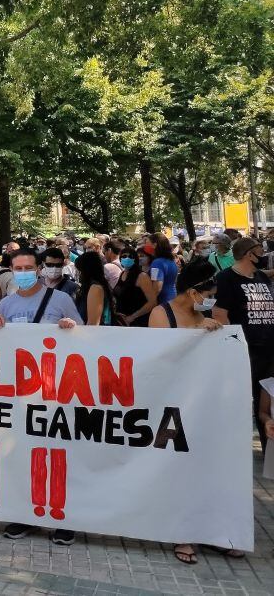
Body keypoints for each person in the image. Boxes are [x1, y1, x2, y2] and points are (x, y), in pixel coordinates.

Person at [0, 249, 80, 546]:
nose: (23, 271)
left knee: (57, 455)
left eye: (29, 266)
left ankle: (64, 518)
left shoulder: (62, 300)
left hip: (55, 392)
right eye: (18, 267)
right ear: (11, 270)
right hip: (20, 394)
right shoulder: (6, 303)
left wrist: (71, 328)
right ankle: (25, 514)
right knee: (24, 454)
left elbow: (87, 340)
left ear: (39, 268)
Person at [148, 260, 236, 563]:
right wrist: (197, 334)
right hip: (172, 407)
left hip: (204, 405)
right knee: (178, 471)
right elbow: (161, 359)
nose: (211, 299)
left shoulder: (204, 312)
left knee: (207, 468)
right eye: (208, 292)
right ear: (193, 291)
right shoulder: (162, 314)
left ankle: (211, 530)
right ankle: (182, 534)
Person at [213, 237, 274, 451]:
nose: (264, 255)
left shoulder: (260, 277)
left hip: (269, 350)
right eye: (260, 251)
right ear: (250, 254)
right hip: (247, 351)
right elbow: (220, 315)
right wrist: (236, 348)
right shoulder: (226, 279)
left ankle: (269, 450)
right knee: (245, 400)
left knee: (265, 403)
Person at [114, 246, 157, 326]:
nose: (127, 258)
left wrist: (132, 317)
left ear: (135, 259)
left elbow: (152, 302)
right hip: (122, 320)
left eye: (130, 256)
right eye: (124, 256)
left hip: (137, 322)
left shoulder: (142, 276)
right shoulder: (122, 274)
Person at [74, 251, 115, 325]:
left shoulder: (95, 288)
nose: (78, 273)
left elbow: (93, 323)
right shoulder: (94, 285)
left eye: (79, 270)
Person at [147, 234, 179, 305]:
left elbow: (157, 288)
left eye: (147, 244)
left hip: (162, 302)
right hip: (172, 298)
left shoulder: (157, 263)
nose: (146, 247)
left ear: (155, 245)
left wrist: (148, 303)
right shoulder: (171, 261)